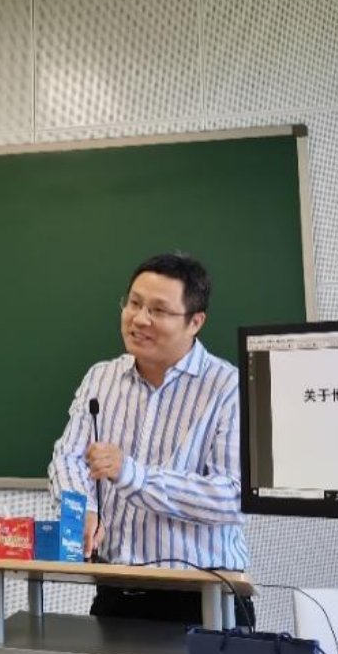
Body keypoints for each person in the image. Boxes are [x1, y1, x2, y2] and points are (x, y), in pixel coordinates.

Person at [47, 252, 250, 624]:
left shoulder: (228, 387)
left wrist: (133, 475)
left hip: (203, 598)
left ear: (195, 322)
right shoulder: (101, 377)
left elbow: (234, 497)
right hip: (116, 590)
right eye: (134, 303)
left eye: (158, 310)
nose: (139, 319)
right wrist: (81, 506)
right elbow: (68, 457)